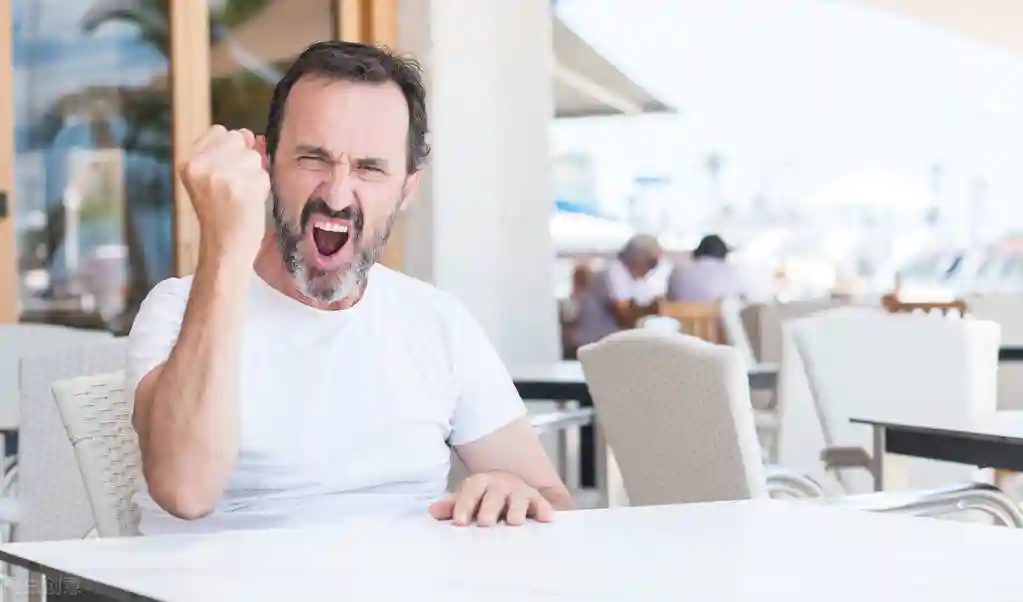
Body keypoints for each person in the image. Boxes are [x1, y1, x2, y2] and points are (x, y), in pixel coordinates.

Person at [126, 41, 573, 536]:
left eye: (369, 168)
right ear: (267, 164)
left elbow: (554, 500)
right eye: (313, 158)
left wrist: (515, 493)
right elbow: (184, 490)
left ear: (407, 188)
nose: (337, 196)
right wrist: (226, 247)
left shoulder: (437, 322)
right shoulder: (177, 309)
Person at [573, 234, 669, 346]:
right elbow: (625, 314)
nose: (651, 269)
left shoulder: (627, 275)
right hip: (598, 342)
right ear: (637, 259)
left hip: (609, 341)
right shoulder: (613, 272)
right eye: (652, 263)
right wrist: (652, 308)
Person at [666, 234, 746, 302]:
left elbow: (669, 298)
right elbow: (742, 299)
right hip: (718, 315)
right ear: (723, 255)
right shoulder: (732, 273)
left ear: (697, 253)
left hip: (678, 315)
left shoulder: (678, 272)